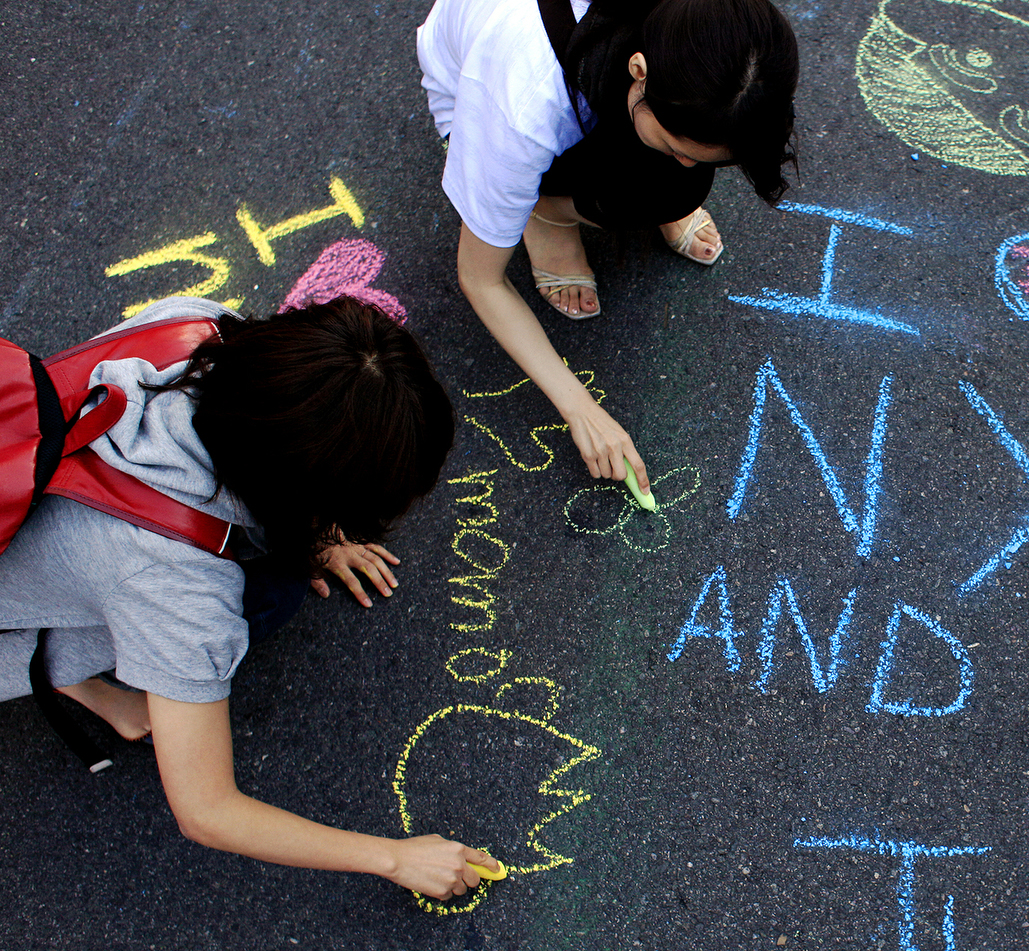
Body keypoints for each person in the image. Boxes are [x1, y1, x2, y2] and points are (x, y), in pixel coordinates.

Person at [0, 296, 489, 900]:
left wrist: (315, 528)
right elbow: (206, 811)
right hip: (43, 587)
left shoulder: (197, 327)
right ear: (300, 492)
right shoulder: (179, 590)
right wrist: (393, 859)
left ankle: (82, 638)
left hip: (45, 499)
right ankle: (78, 676)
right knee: (270, 596)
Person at [417, 0, 800, 488]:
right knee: (652, 187)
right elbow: (480, 278)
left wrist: (682, 153)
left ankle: (628, 170)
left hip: (592, 78)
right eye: (679, 147)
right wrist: (582, 411)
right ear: (639, 71)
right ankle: (546, 214)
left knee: (671, 186)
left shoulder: (705, 29)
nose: (688, 165)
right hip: (475, 88)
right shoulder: (521, 108)